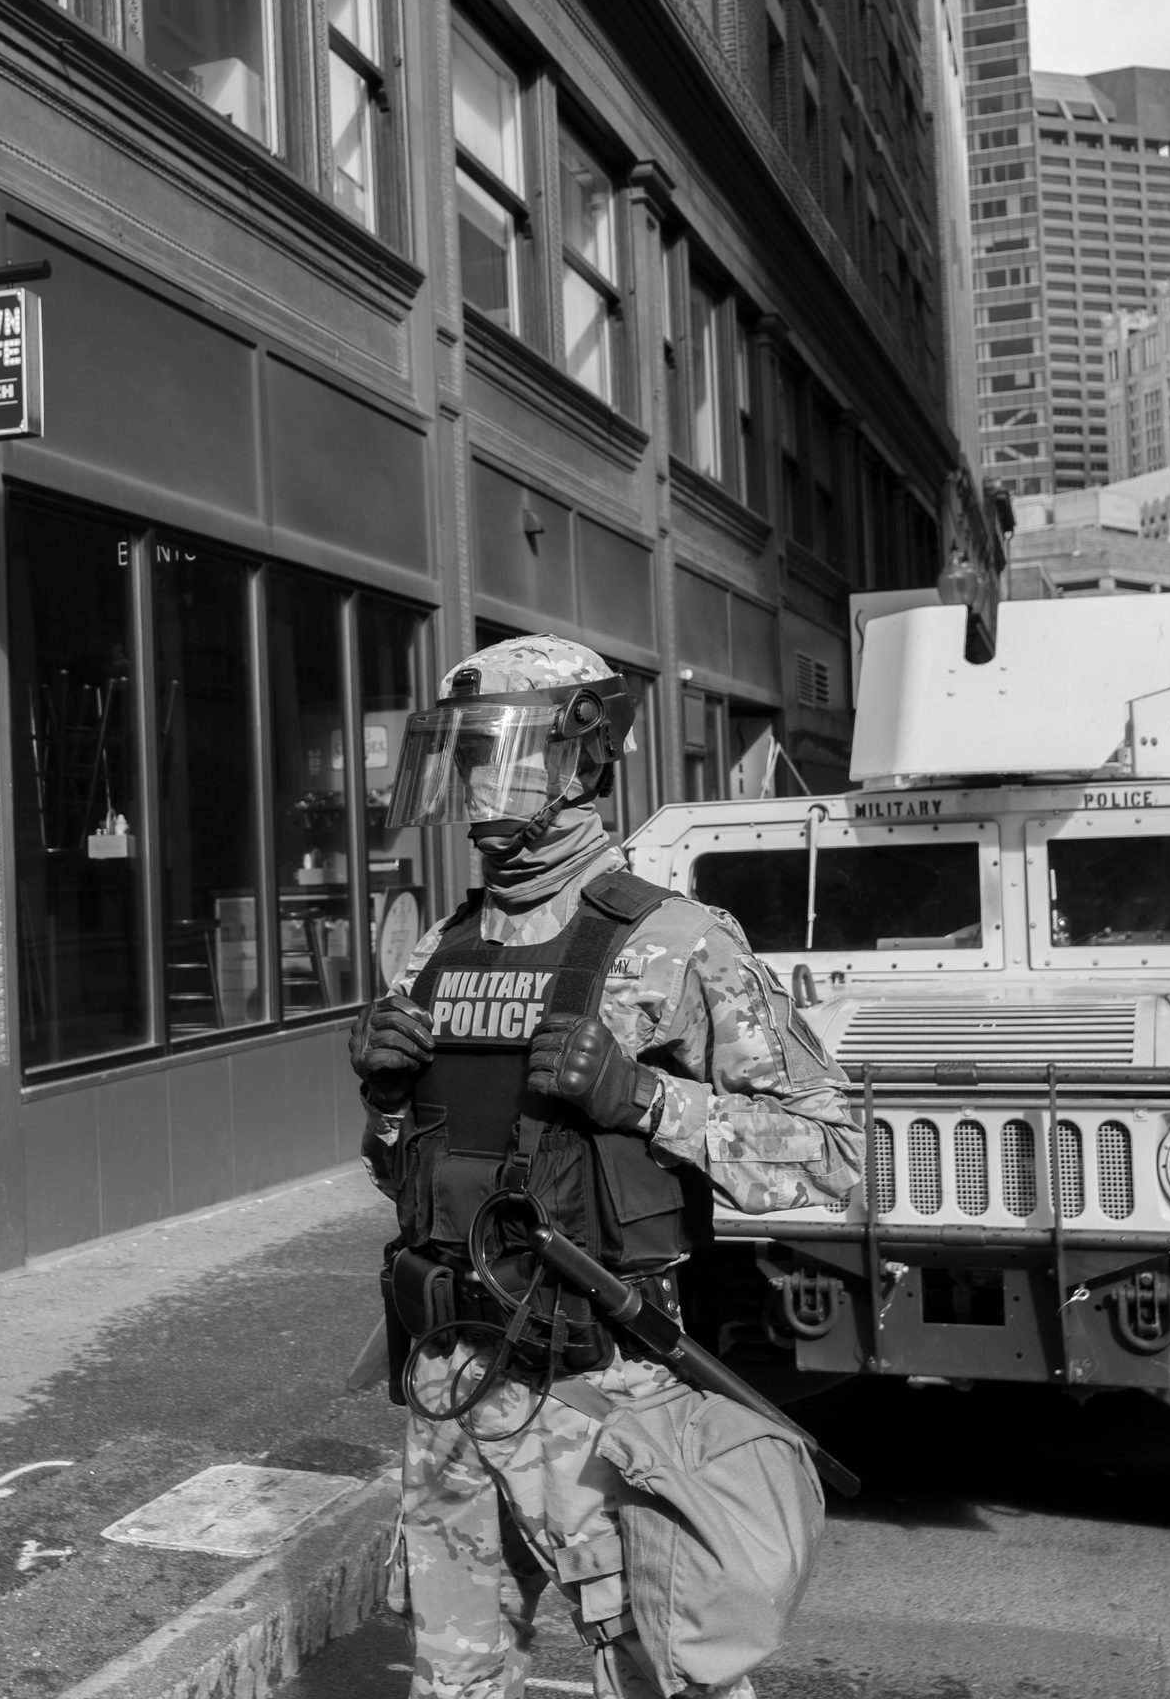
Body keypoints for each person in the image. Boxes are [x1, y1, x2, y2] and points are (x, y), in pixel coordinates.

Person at [353, 634, 861, 1699]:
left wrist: (644, 1098)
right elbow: (411, 1178)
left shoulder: (677, 943)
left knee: (662, 1674)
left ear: (583, 761)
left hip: (605, 1392)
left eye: (513, 750)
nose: (484, 781)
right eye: (466, 754)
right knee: (455, 1681)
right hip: (450, 1379)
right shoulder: (433, 951)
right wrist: (389, 1105)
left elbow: (835, 1159)